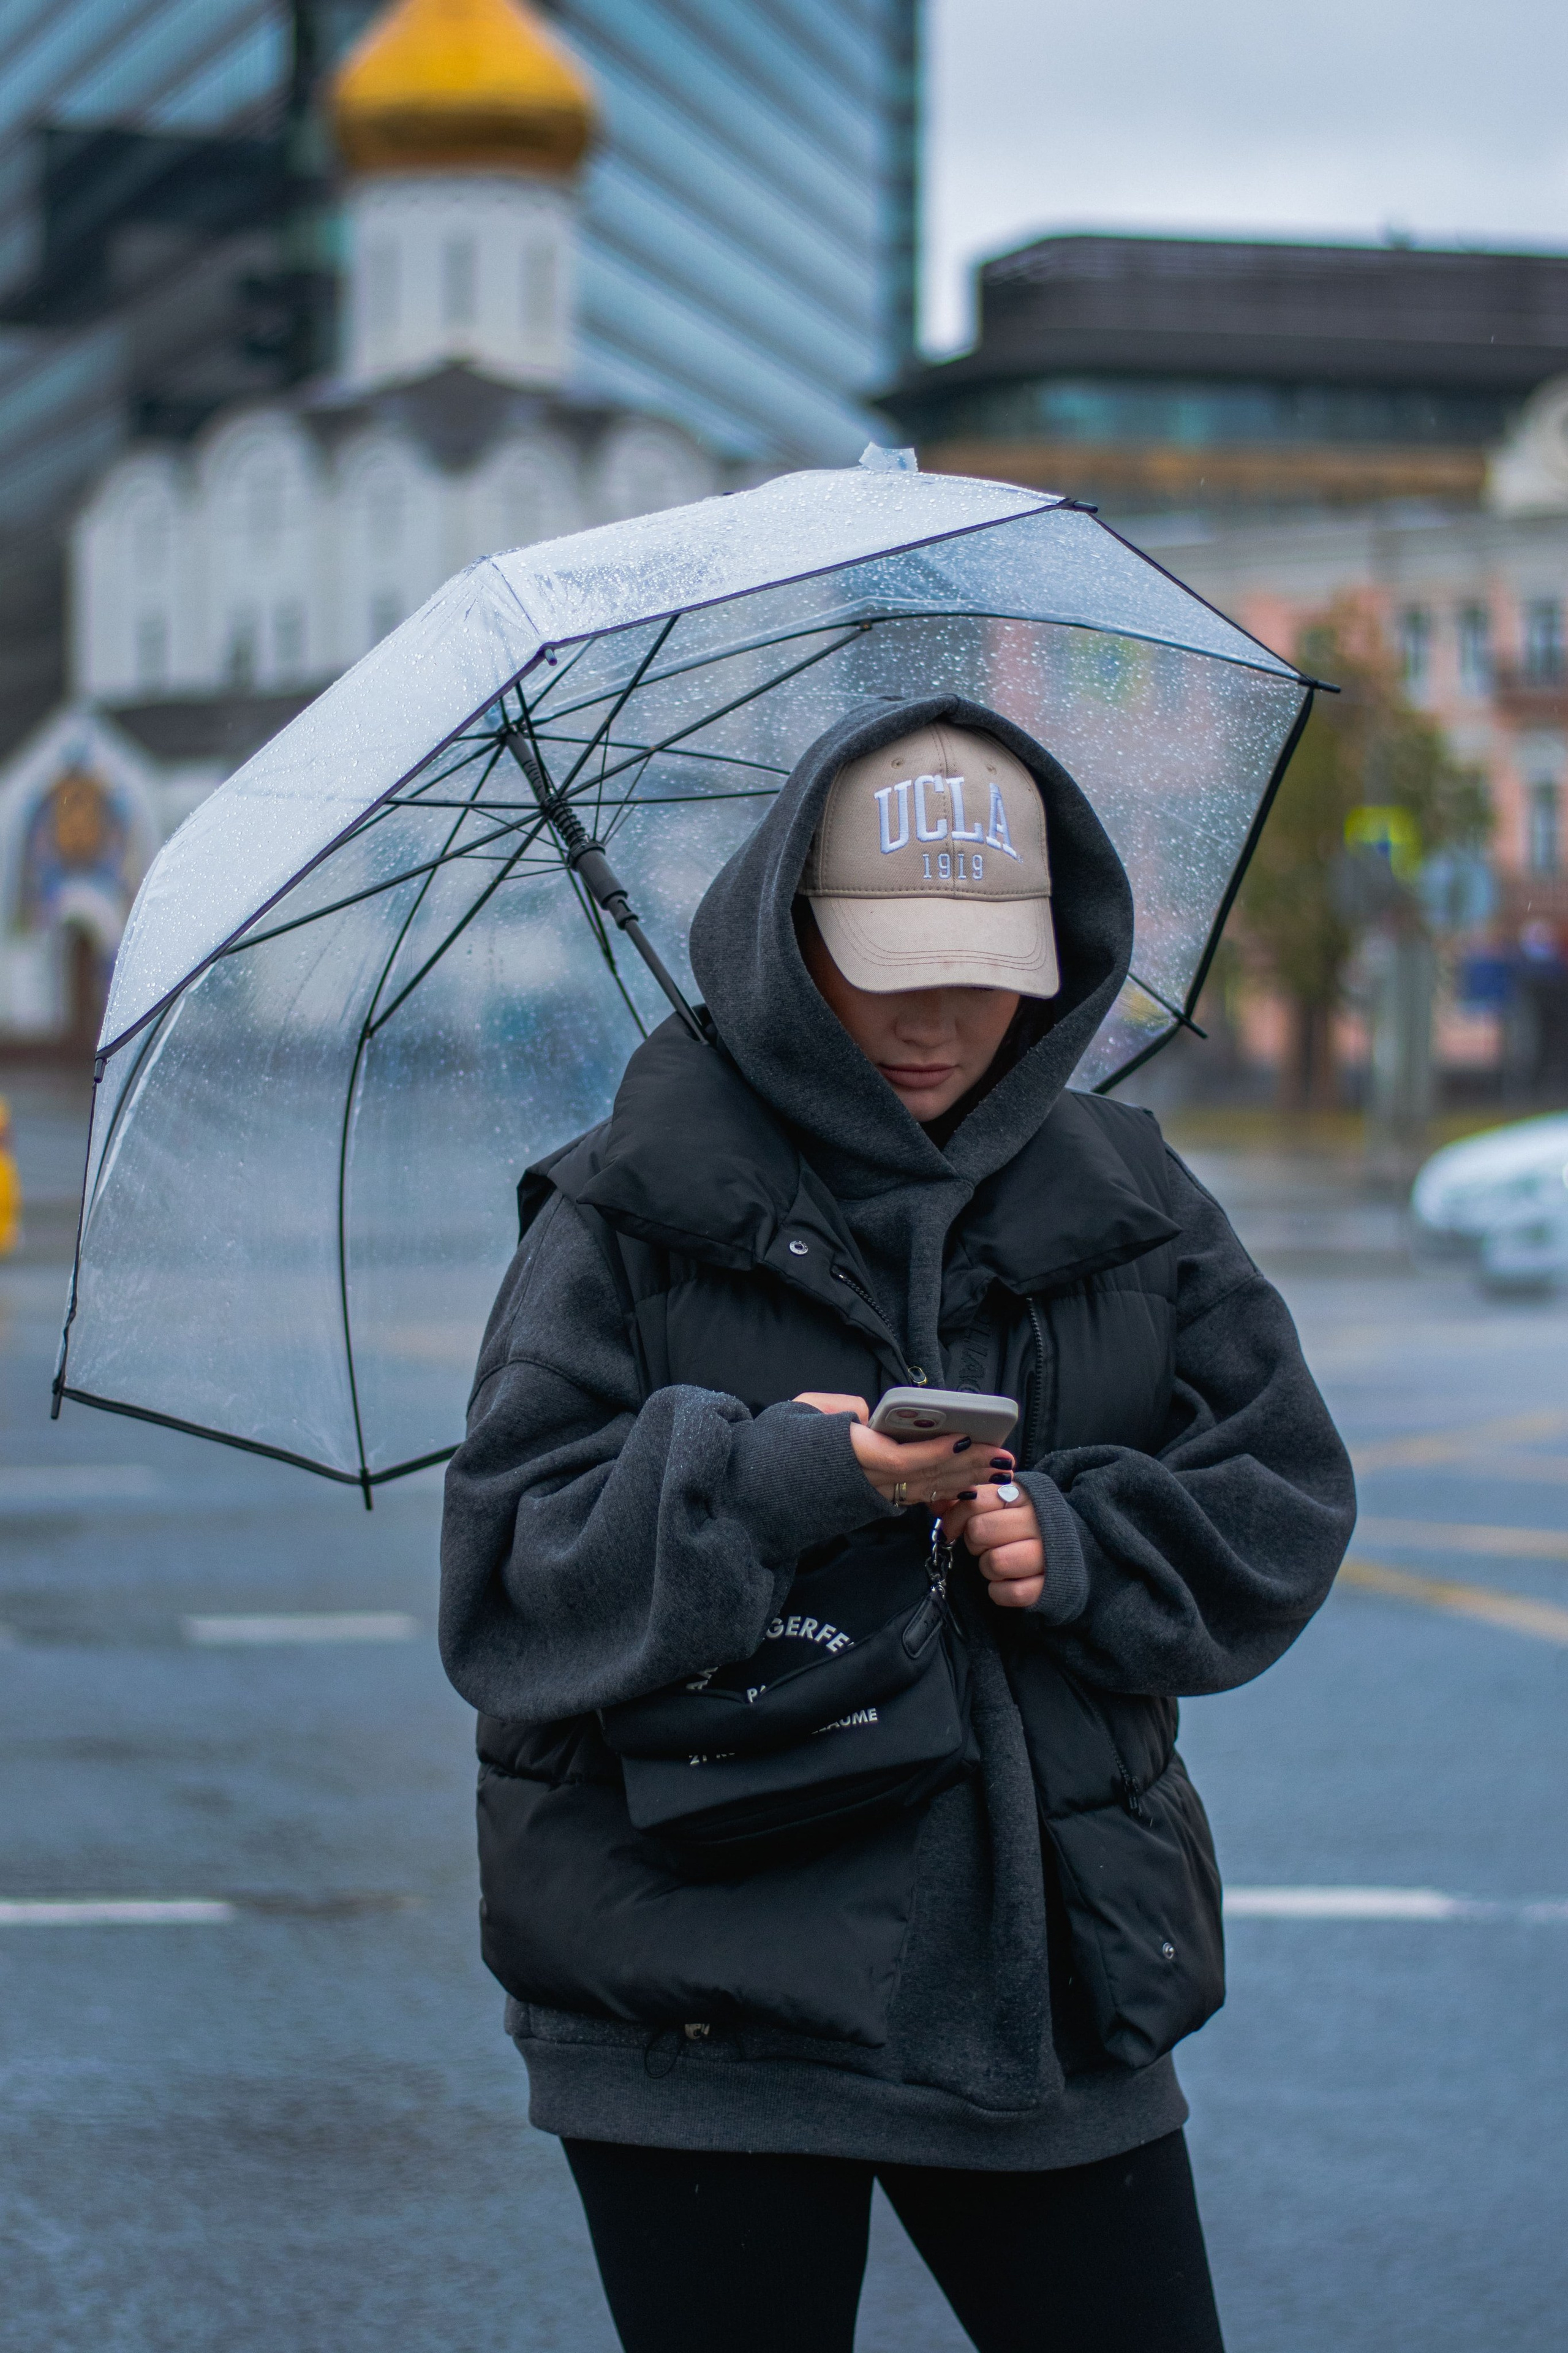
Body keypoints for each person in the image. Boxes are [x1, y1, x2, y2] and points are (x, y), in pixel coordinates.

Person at [440, 698, 1356, 2353]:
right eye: (887, 958)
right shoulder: (623, 1205)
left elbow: (1284, 1495)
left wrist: (1077, 1546)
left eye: (984, 961)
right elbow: (512, 1583)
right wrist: (787, 1481)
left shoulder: (1132, 1197)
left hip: (1047, 1983)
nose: (941, 1015)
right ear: (787, 942)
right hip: (701, 2001)